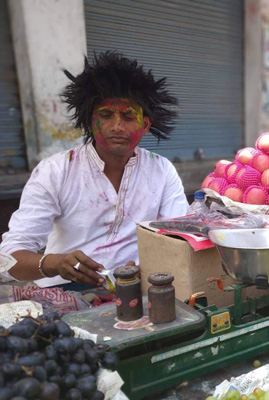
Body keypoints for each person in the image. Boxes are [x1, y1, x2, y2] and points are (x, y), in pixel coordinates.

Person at [1, 52, 189, 288]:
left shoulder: (162, 171)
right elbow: (8, 259)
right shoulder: (55, 171)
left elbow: (180, 238)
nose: (117, 126)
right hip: (64, 294)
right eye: (106, 115)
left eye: (129, 116)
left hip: (138, 289)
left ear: (145, 125)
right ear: (89, 121)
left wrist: (153, 266)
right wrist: (54, 264)